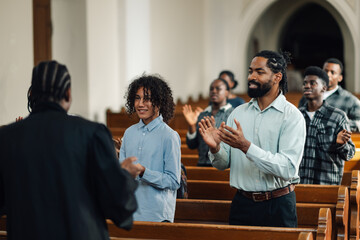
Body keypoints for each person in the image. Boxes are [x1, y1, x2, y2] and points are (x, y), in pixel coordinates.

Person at [0, 61, 141, 240]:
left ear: (32, 94)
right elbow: (120, 210)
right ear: (68, 94)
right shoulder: (92, 133)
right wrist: (124, 177)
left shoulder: (6, 138)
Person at [199, 50, 306, 227]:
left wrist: (246, 147)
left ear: (277, 77)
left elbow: (288, 168)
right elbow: (221, 164)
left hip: (278, 205)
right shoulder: (238, 113)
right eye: (250, 71)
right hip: (243, 204)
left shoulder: (291, 116)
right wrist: (215, 148)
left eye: (260, 72)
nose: (252, 77)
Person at [119, 74, 181, 222]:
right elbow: (121, 173)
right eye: (137, 98)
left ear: (159, 102)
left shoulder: (169, 135)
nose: (140, 104)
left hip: (157, 215)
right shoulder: (129, 133)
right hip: (131, 212)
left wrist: (144, 172)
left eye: (147, 99)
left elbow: (173, 181)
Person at [298, 66, 355, 185]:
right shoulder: (297, 116)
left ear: (324, 87)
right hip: (299, 185)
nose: (307, 86)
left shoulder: (337, 116)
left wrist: (341, 144)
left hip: (326, 186)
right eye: (305, 83)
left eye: (312, 83)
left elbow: (349, 154)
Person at [299, 58, 360, 132]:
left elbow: (358, 123)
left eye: (332, 72)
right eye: (326, 71)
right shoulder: (308, 96)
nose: (328, 75)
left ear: (340, 78)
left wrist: (335, 123)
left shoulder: (350, 100)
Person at [183, 78, 233, 166]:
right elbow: (192, 145)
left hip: (223, 166)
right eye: (211, 89)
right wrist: (192, 126)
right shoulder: (202, 114)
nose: (214, 91)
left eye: (218, 88)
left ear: (227, 92)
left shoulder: (233, 114)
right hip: (202, 164)